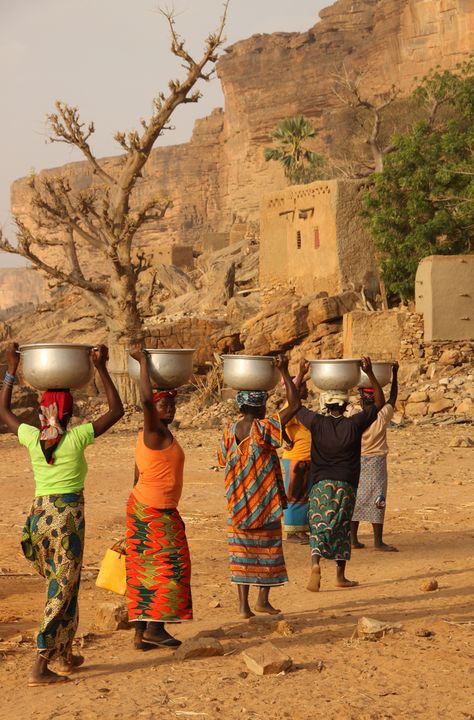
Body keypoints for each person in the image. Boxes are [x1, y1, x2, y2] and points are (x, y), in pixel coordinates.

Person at [0, 342, 124, 687]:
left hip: (39, 518)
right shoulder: (77, 437)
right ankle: (41, 662)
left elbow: (3, 411)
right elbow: (116, 411)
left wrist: (12, 369)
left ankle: (64, 654)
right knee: (63, 588)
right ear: (70, 415)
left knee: (63, 585)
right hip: (67, 519)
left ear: (42, 414)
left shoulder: (31, 437)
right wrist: (101, 368)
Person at [217, 355, 301, 619]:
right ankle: (262, 601)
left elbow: (222, 460)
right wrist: (285, 371)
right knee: (267, 552)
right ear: (262, 406)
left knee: (241, 554)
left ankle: (243, 606)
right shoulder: (264, 429)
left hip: (238, 504)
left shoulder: (229, 431)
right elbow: (296, 403)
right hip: (263, 503)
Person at [295, 357, 384, 592]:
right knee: (341, 527)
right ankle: (340, 576)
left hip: (319, 484)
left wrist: (298, 374)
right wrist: (370, 373)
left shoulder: (315, 422)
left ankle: (315, 559)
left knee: (319, 525)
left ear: (325, 404)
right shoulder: (354, 424)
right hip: (345, 484)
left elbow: (293, 405)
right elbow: (379, 402)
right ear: (345, 406)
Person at [126, 348, 192, 651]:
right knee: (171, 566)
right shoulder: (153, 430)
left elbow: (137, 473)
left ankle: (141, 634)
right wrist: (142, 364)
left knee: (143, 570)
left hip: (143, 507)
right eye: (165, 404)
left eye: (173, 404)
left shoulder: (150, 434)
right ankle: (155, 628)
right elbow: (144, 400)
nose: (171, 409)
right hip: (155, 511)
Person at [350, 362, 399, 552]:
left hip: (357, 462)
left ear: (361, 399)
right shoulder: (382, 415)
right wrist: (394, 374)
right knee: (378, 499)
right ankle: (378, 541)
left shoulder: (353, 415)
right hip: (376, 462)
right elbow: (393, 397)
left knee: (356, 499)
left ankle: (353, 539)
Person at [281, 371, 311, 544]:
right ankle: (292, 532)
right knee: (294, 495)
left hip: (305, 458)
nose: (306, 389)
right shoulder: (290, 406)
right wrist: (287, 440)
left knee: (302, 495)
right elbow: (280, 423)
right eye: (303, 387)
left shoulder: (300, 408)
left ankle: (300, 530)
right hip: (296, 457)